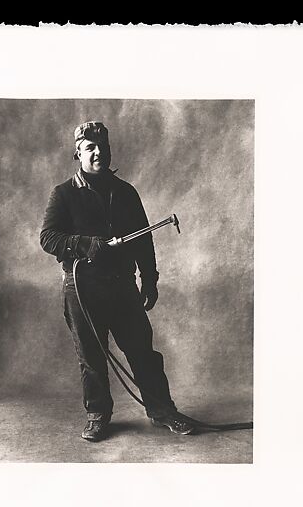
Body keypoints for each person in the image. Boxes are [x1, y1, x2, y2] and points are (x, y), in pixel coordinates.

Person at [40, 121, 194, 441]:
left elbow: (143, 241)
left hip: (122, 286)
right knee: (92, 357)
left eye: (103, 146)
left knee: (143, 352)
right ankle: (98, 414)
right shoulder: (63, 194)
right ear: (78, 154)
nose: (98, 153)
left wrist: (149, 280)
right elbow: (48, 238)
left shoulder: (125, 192)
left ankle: (163, 410)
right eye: (90, 148)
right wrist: (86, 244)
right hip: (82, 287)